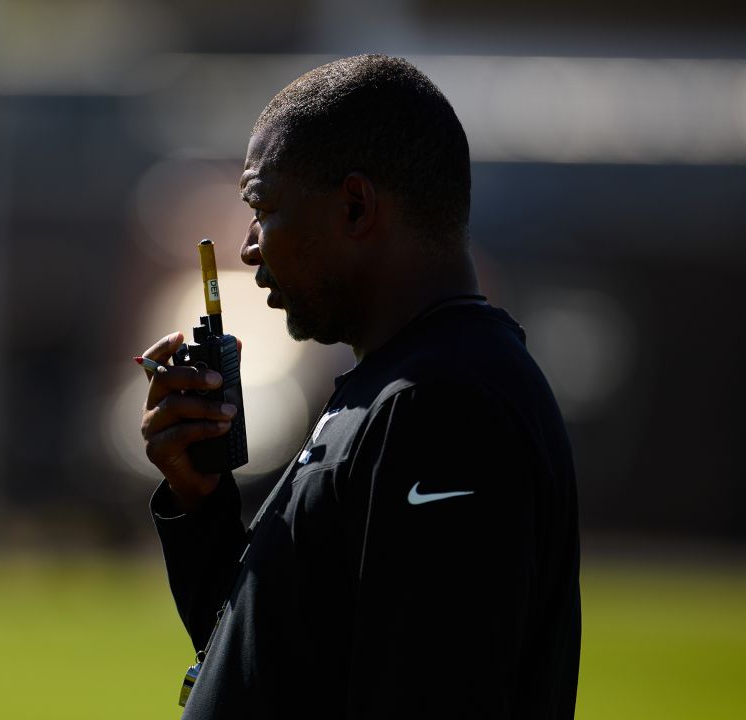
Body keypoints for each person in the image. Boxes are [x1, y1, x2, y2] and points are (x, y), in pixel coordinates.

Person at [137, 54, 580, 718]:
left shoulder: (446, 404)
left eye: (264, 207)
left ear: (354, 206)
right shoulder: (390, 386)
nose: (250, 246)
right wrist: (200, 505)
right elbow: (276, 658)